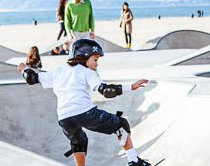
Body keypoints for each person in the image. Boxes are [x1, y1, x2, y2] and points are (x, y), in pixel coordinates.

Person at [18, 39, 152, 166]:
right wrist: (130, 87)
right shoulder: (87, 72)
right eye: (95, 59)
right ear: (83, 57)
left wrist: (24, 68)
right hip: (84, 113)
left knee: (79, 142)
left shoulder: (58, 71)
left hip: (64, 119)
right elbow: (106, 91)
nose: (97, 64)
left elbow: (31, 78)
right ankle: (134, 161)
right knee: (121, 124)